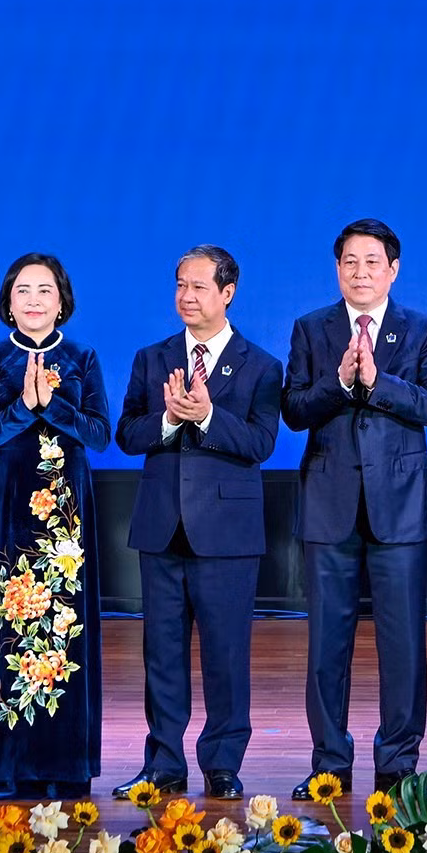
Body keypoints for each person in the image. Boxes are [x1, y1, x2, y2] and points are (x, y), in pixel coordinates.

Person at [284, 218, 427, 797]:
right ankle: (329, 760)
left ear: (393, 269)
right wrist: (338, 382)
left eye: (372, 262)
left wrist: (378, 383)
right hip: (329, 507)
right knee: (327, 643)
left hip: (400, 509)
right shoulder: (311, 329)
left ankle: (398, 762)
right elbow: (295, 410)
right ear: (337, 269)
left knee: (402, 644)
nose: (360, 272)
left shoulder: (422, 329)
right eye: (350, 262)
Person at [113, 245, 282, 802]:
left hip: (227, 535)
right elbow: (127, 434)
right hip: (161, 528)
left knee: (226, 654)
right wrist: (167, 418)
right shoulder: (151, 358)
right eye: (180, 285)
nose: (186, 297)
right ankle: (162, 761)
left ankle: (222, 763)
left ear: (227, 293)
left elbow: (260, 443)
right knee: (161, 654)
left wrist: (208, 415)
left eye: (199, 287)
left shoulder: (260, 365)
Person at [0, 253, 110, 799]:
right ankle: (15, 767)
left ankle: (70, 767)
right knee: (14, 631)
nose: (32, 300)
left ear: (61, 300)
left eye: (43, 290)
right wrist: (25, 408)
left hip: (66, 512)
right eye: (22, 290)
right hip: (10, 507)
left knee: (67, 634)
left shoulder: (83, 356)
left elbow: (100, 435)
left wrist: (55, 408)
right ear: (8, 300)